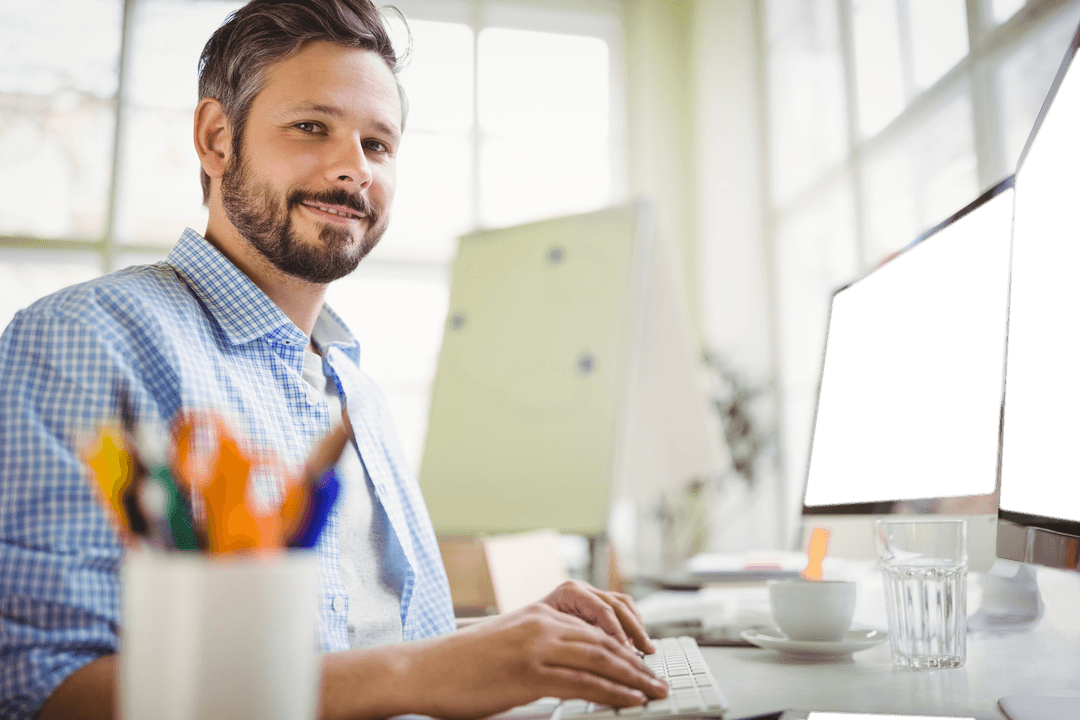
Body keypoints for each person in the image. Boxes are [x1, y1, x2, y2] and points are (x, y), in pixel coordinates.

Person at [0, 1, 668, 719]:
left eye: (378, 145)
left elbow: (368, 649)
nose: (354, 169)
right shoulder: (83, 341)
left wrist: (512, 637)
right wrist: (419, 671)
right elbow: (42, 688)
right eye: (311, 127)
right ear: (217, 138)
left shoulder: (354, 384)